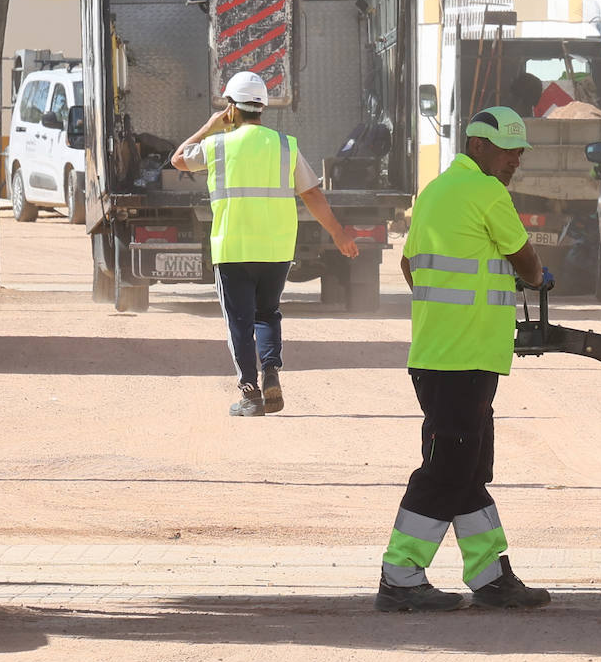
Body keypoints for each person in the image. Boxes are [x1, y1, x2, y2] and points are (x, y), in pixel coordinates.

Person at [376, 106, 553, 613]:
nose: (515, 160)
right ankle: (400, 575)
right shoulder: (487, 192)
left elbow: (409, 265)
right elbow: (526, 260)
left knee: (468, 471)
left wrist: (451, 306)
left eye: (519, 152)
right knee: (446, 472)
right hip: (465, 358)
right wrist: (537, 279)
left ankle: (490, 575)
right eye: (508, 151)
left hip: (439, 354)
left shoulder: (435, 192)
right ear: (478, 146)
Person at [170, 71, 359, 416]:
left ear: (231, 108)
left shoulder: (217, 145)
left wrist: (210, 126)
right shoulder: (285, 145)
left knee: (239, 322)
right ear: (262, 108)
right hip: (276, 249)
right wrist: (337, 232)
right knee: (267, 314)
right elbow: (312, 194)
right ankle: (270, 371)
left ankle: (250, 393)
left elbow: (178, 159)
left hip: (233, 249)